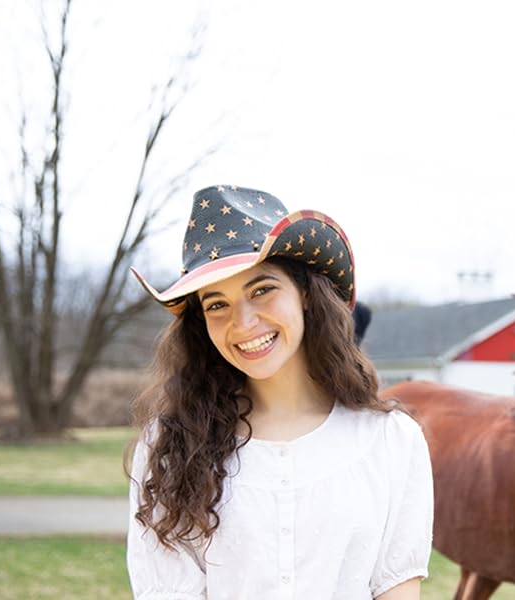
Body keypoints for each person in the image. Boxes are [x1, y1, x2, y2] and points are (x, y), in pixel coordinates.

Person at [126, 185, 433, 600]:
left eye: (262, 290)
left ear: (305, 293)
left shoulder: (391, 440)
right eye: (217, 304)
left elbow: (396, 588)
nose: (243, 322)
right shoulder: (169, 446)